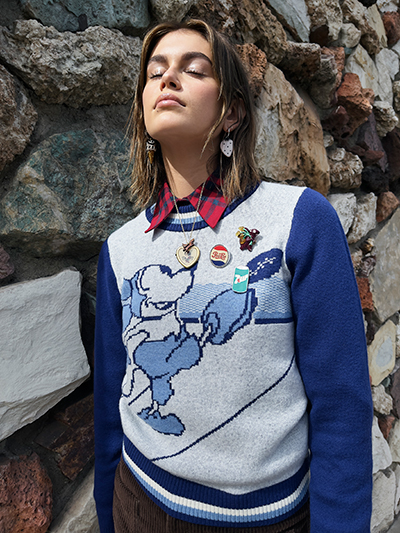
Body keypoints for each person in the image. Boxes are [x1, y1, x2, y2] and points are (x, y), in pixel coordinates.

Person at [94, 19, 373, 533]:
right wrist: (108, 517)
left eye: (194, 69)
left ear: (233, 112)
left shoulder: (299, 221)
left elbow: (341, 406)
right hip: (139, 504)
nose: (168, 78)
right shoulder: (120, 249)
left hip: (264, 520)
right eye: (155, 72)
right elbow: (112, 401)